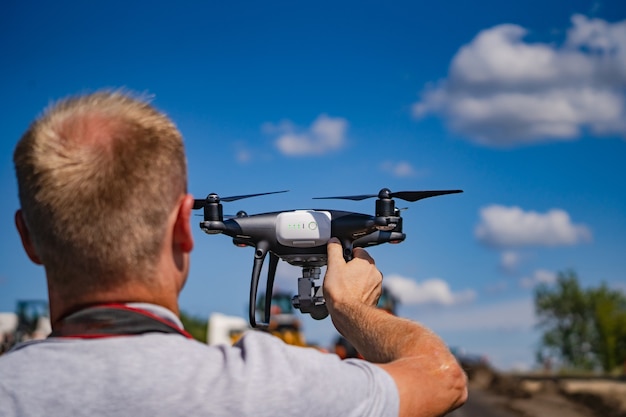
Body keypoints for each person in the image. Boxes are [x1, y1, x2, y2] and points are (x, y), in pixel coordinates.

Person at [0, 90, 467, 417]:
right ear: (184, 227)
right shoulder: (277, 385)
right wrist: (351, 309)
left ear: (26, 237)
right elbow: (444, 380)